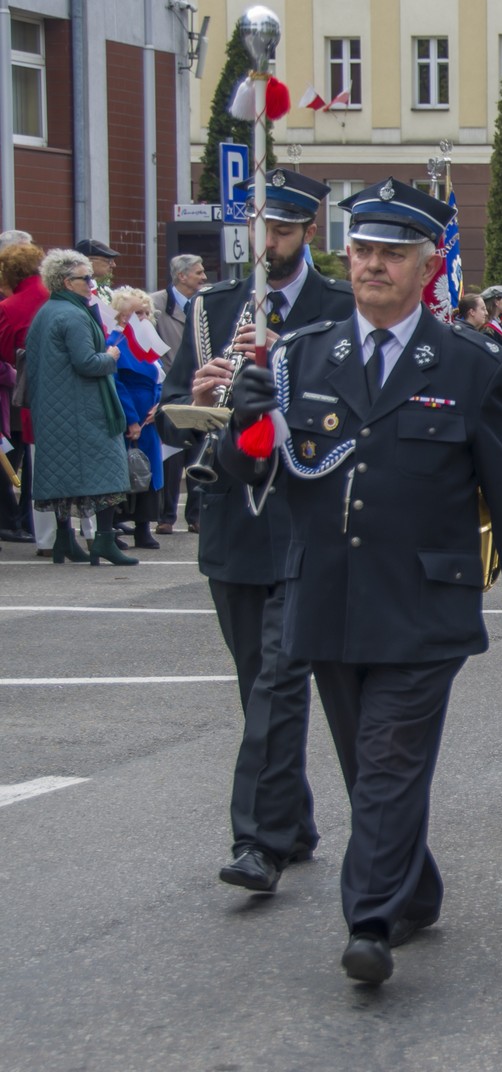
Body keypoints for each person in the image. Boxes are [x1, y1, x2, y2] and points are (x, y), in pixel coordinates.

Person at [223, 178, 502, 985]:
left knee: (388, 758)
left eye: (393, 254)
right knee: (365, 760)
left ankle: (369, 920)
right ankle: (413, 888)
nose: (373, 265)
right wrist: (245, 422)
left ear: (427, 264)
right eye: (364, 250)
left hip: (422, 600)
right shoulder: (304, 355)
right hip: (328, 596)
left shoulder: (470, 364)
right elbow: (260, 474)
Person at [157, 169, 357, 897]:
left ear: (309, 232)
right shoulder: (214, 309)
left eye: (282, 231)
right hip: (234, 524)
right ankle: (293, 821)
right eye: (260, 230)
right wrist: (205, 395)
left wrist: (281, 387)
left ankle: (259, 842)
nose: (267, 244)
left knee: (277, 681)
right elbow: (172, 406)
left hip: (304, 519)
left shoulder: (339, 309)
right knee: (258, 687)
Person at [24, 248, 136, 567]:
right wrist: (111, 357)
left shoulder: (47, 311)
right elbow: (87, 363)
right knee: (107, 474)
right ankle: (103, 541)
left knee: (63, 476)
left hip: (54, 410)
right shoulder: (73, 315)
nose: (91, 283)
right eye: (83, 278)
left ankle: (65, 540)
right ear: (64, 281)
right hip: (84, 410)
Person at [151, 254, 208, 534]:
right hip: (168, 389)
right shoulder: (156, 305)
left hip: (199, 388)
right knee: (171, 457)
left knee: (199, 451)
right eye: (198, 273)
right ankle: (166, 516)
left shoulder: (204, 303)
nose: (204, 277)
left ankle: (195, 516)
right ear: (182, 276)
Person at [108, 288, 165, 550]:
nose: (142, 317)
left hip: (150, 414)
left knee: (149, 470)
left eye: (145, 312)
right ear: (121, 316)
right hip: (126, 411)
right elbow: (116, 383)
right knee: (121, 469)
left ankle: (144, 527)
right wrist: (131, 419)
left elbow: (161, 378)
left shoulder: (149, 341)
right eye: (136, 313)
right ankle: (113, 526)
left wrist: (159, 406)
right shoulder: (115, 342)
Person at [0, 241, 48, 549]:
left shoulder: (10, 306)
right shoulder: (56, 298)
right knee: (35, 466)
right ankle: (34, 526)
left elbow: (5, 348)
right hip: (43, 395)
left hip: (18, 394)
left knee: (16, 459)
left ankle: (20, 525)